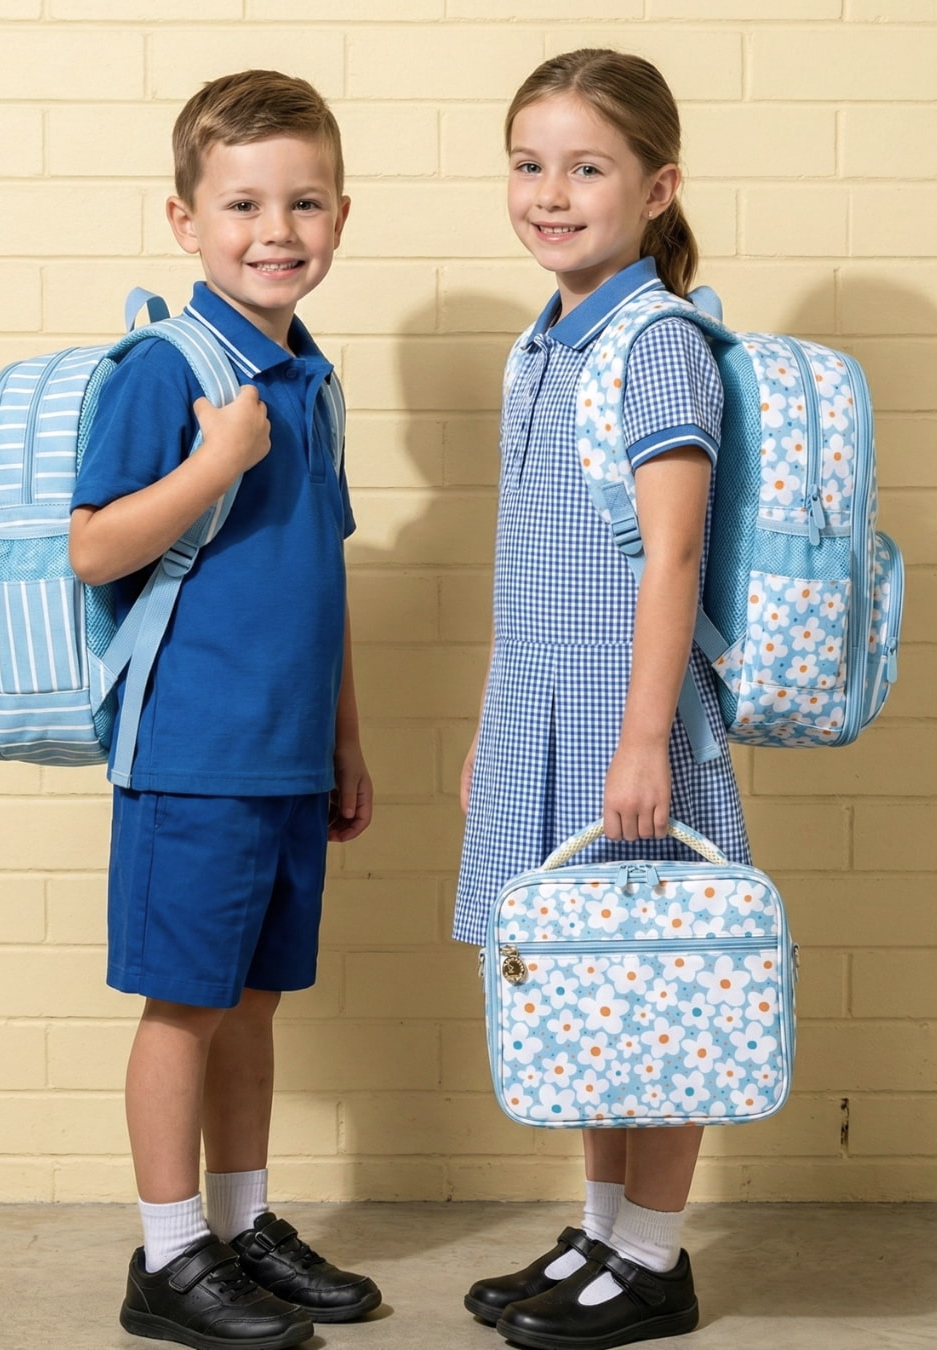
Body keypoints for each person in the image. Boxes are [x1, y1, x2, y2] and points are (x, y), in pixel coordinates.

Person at [69, 70, 379, 1350]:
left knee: (252, 1004)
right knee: (184, 1005)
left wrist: (345, 739)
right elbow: (94, 550)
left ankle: (241, 1225)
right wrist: (211, 462)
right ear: (183, 219)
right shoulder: (165, 368)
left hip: (286, 757)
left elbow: (324, 575)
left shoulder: (313, 379)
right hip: (190, 754)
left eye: (305, 202)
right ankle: (167, 1253)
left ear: (342, 216)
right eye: (243, 202)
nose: (277, 230)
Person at [455, 49, 751, 1350]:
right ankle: (600, 1228)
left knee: (662, 984)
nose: (551, 193)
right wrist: (488, 724)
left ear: (656, 187)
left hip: (630, 718)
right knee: (586, 981)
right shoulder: (545, 343)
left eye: (587, 167)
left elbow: (671, 553)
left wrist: (643, 742)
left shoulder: (660, 342)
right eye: (531, 164)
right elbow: (530, 559)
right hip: (546, 705)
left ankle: (655, 1255)